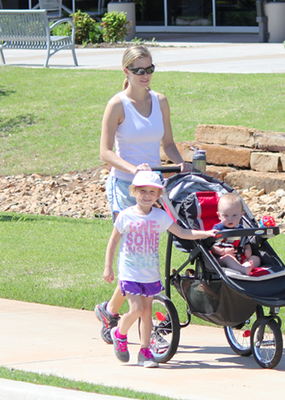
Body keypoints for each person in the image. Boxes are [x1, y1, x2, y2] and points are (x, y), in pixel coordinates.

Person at [95, 45, 192, 345]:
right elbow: (104, 152)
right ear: (126, 71)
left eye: (150, 69)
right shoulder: (117, 104)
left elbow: (169, 143)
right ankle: (126, 319)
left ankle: (109, 310)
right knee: (136, 253)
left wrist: (182, 163)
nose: (146, 75)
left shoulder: (160, 101)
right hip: (125, 184)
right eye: (139, 70)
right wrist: (133, 169)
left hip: (153, 186)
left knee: (146, 253)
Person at [103, 171, 216, 368]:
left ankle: (145, 352)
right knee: (136, 309)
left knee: (147, 312)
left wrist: (206, 232)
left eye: (152, 192)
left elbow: (181, 232)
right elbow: (113, 241)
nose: (147, 195)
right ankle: (119, 333)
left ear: (158, 195)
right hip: (130, 272)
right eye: (142, 191)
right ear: (134, 191)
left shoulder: (160, 216)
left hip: (150, 274)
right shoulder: (125, 215)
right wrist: (108, 268)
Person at [211, 193, 261, 275]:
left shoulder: (241, 229)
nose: (230, 219)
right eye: (226, 215)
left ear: (241, 215)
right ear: (219, 215)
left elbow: (246, 243)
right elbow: (212, 246)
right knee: (228, 258)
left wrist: (248, 250)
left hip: (240, 258)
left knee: (256, 258)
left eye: (234, 215)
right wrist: (223, 251)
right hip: (222, 258)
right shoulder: (218, 229)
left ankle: (246, 265)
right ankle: (242, 269)